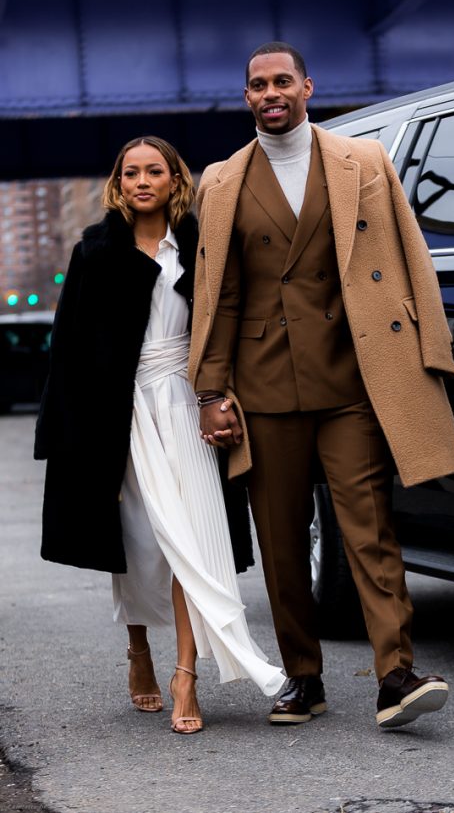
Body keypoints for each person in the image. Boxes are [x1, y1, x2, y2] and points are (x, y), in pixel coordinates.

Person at [188, 42, 454, 730]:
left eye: (282, 80)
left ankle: (395, 675)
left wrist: (434, 350)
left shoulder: (363, 160)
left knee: (368, 528)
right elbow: (215, 294)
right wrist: (211, 391)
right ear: (247, 97)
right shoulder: (220, 182)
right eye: (257, 84)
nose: (270, 93)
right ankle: (303, 679)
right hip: (263, 387)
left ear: (308, 86)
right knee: (282, 543)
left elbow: (410, 250)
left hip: (354, 376)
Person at [35, 135, 284, 734]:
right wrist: (65, 433)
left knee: (187, 538)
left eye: (154, 171)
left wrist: (226, 399)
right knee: (139, 541)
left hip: (189, 404)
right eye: (130, 173)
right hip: (119, 413)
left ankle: (185, 674)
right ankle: (139, 650)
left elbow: (231, 326)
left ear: (176, 179)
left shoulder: (201, 245)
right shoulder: (94, 251)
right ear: (118, 184)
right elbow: (68, 348)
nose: (142, 181)